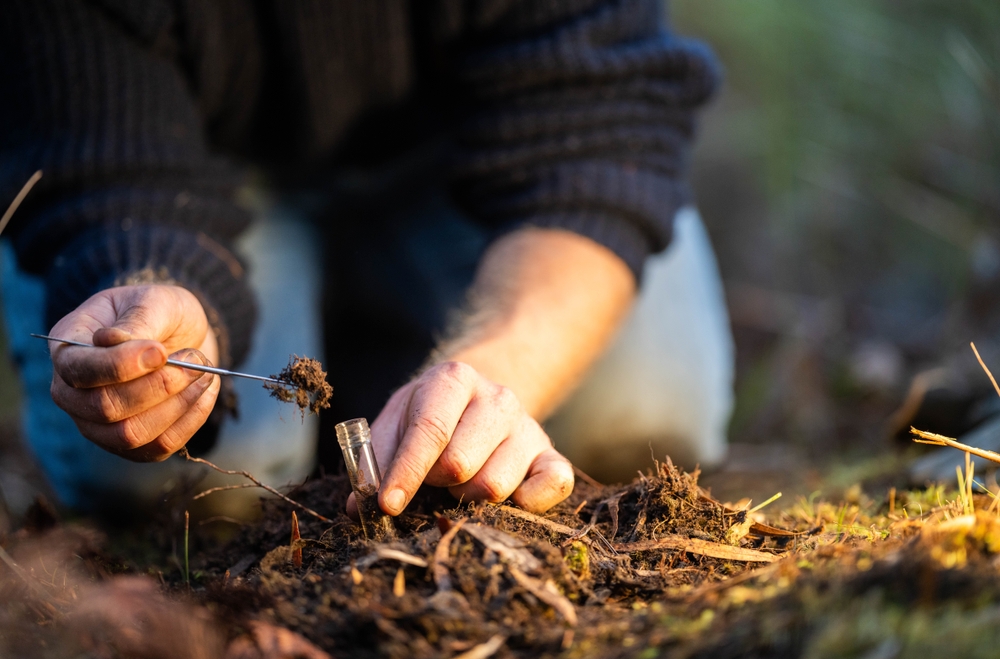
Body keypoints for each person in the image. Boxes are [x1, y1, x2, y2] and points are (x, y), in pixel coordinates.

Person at [0, 0, 732, 518]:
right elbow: (103, 167)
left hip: (462, 160)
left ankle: (375, 357)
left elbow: (594, 141)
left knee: (644, 408)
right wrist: (155, 283)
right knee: (195, 488)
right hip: (201, 179)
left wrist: (495, 370)